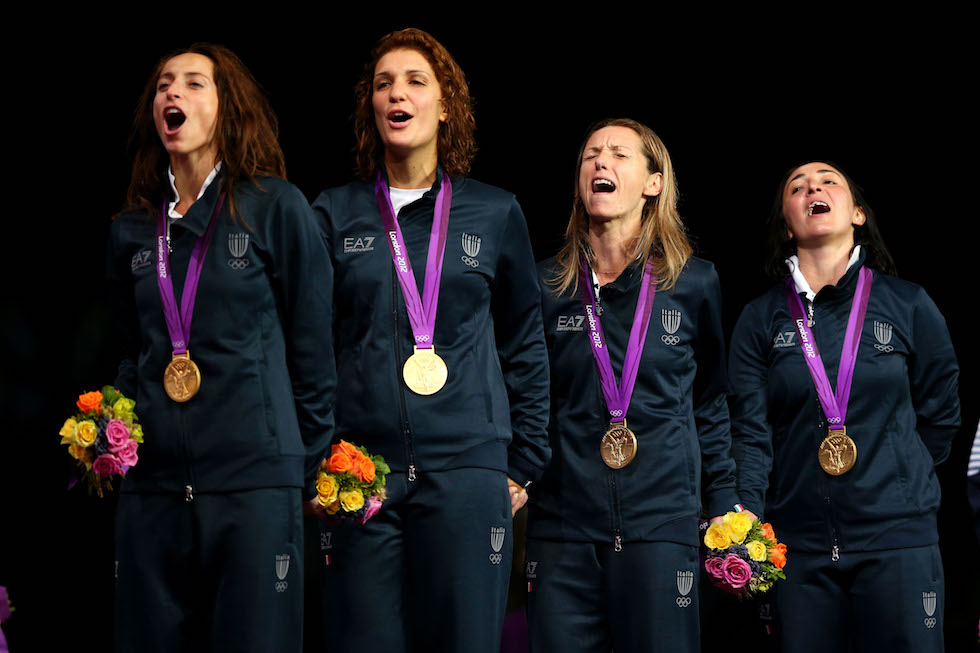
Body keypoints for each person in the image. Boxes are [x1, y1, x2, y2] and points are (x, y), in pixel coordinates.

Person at [312, 28, 550, 652]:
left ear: (446, 105)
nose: (397, 93)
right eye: (383, 83)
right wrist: (319, 453)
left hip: (467, 470)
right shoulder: (333, 213)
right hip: (362, 473)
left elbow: (525, 341)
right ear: (371, 106)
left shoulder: (495, 212)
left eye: (416, 81)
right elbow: (311, 344)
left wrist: (522, 463)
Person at [106, 43, 334, 652]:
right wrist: (114, 427)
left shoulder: (274, 206)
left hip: (253, 485)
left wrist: (302, 464)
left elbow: (313, 348)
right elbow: (128, 352)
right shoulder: (132, 227)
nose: (172, 93)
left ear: (227, 108)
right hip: (153, 490)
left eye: (193, 83)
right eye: (163, 84)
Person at [527, 118, 742, 653]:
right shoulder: (544, 285)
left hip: (660, 525)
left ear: (653, 183)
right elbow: (526, 397)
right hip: (562, 527)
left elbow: (709, 402)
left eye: (619, 154)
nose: (601, 161)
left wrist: (723, 499)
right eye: (591, 154)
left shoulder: (694, 282)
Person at [729, 161, 960, 652]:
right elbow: (750, 433)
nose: (813, 186)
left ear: (858, 213)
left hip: (898, 543)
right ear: (787, 224)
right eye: (797, 186)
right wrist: (748, 522)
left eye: (828, 181)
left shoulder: (909, 303)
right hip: (799, 551)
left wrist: (901, 480)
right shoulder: (760, 318)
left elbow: (942, 414)